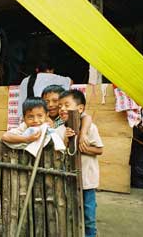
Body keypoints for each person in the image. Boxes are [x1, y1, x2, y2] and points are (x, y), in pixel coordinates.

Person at [56, 89, 103, 237]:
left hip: (87, 182)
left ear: (80, 108)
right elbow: (58, 154)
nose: (62, 109)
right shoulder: (59, 130)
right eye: (60, 106)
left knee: (88, 216)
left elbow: (99, 150)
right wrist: (65, 141)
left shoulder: (90, 128)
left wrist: (82, 147)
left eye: (66, 105)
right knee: (69, 213)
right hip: (67, 180)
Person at [41, 84, 93, 151]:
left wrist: (83, 133)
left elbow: (86, 117)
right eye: (46, 101)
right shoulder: (40, 117)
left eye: (55, 101)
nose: (50, 105)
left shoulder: (67, 116)